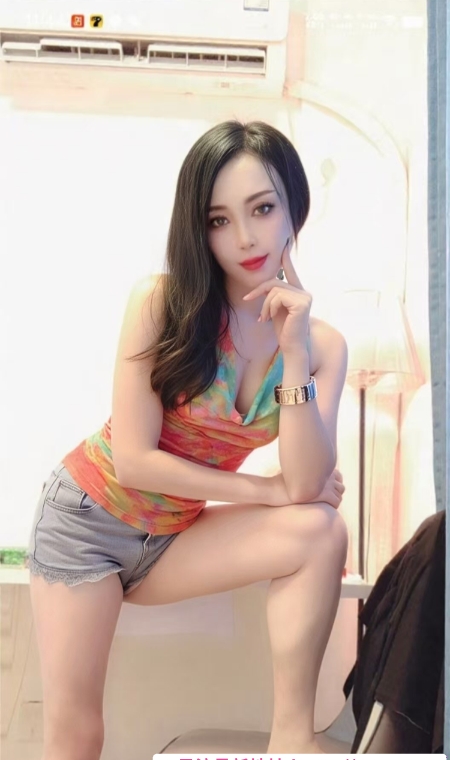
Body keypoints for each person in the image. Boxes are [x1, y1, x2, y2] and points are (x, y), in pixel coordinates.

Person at [27, 120, 349, 758]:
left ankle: (292, 738)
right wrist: (262, 490)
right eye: (219, 220)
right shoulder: (161, 303)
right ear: (198, 229)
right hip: (86, 523)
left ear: (294, 206)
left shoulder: (321, 347)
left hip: (172, 537)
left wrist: (292, 351)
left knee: (321, 529)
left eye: (262, 208)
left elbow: (308, 484)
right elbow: (134, 462)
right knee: (78, 732)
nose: (246, 237)